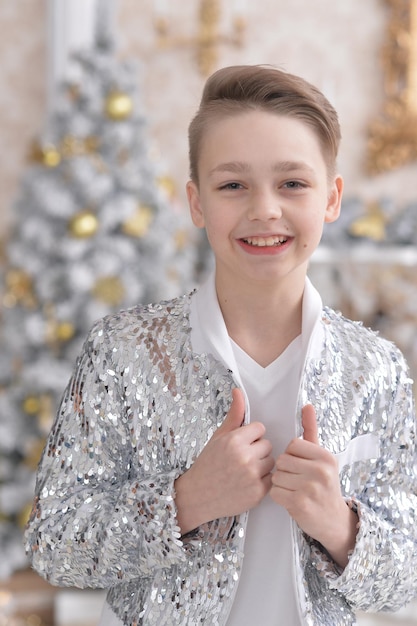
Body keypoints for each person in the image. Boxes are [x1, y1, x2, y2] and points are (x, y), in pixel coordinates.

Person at [25, 65, 417, 626]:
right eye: (233, 184)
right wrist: (186, 501)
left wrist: (337, 522)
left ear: (331, 199)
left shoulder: (377, 369)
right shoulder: (122, 352)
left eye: (293, 183)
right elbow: (52, 544)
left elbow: (405, 577)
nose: (264, 209)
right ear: (197, 203)